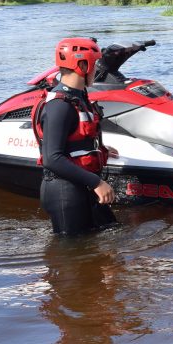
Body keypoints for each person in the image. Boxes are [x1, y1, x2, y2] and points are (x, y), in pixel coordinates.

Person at [31, 37, 117, 235]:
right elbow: (52, 158)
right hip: (65, 192)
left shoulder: (78, 96)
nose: (97, 69)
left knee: (108, 234)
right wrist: (97, 183)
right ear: (82, 65)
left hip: (80, 185)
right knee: (72, 257)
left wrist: (98, 149)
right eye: (95, 64)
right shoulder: (59, 106)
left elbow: (76, 139)